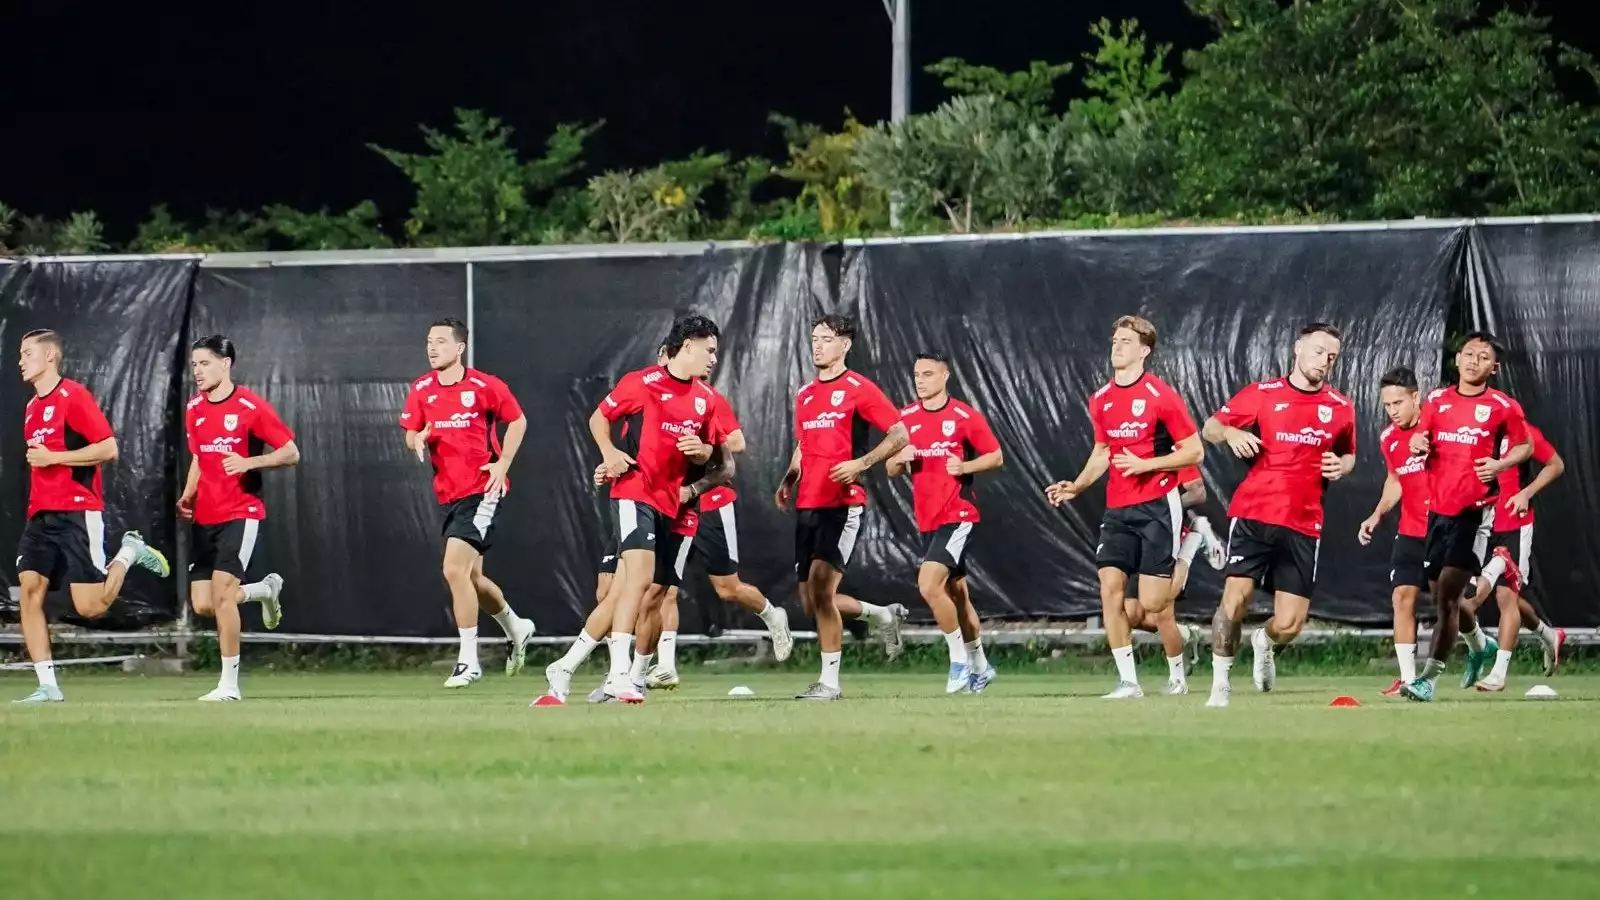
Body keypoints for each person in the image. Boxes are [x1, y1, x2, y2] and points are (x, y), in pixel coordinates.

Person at [1047, 316, 1204, 699]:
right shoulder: (1101, 399)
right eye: (1114, 340)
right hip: (1118, 509)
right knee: (1110, 589)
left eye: (1126, 341)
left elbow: (1194, 450)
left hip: (1158, 505)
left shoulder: (1161, 395)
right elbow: (1102, 451)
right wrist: (1078, 486)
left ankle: (1187, 553)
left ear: (1144, 350)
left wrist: (1146, 465)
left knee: (1153, 605)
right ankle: (1129, 682)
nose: (1117, 346)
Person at [1201, 322, 1356, 708]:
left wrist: (1344, 465)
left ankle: (1264, 642)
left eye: (1332, 356)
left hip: (1304, 521)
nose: (1325, 361)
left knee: (1290, 623)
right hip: (1255, 511)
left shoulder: (1340, 406)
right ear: (1297, 349)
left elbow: (1348, 452)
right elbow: (1211, 427)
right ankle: (1220, 686)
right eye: (1319, 351)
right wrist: (1233, 435)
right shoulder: (1263, 393)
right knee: (1235, 599)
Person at [13, 329, 171, 704]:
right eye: (20, 354)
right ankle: (48, 686)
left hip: (78, 512)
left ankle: (129, 552)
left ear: (50, 356)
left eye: (27, 353)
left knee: (91, 606)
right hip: (41, 516)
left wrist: (55, 458)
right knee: (29, 594)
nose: (21, 360)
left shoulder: (74, 396)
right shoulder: (32, 407)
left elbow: (109, 448)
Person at [589, 315, 723, 703]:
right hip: (633, 491)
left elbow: (721, 455)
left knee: (648, 587)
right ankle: (617, 674)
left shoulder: (707, 398)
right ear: (688, 346)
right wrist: (610, 452)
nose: (714, 358)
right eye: (709, 350)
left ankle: (584, 671)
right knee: (632, 581)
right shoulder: (641, 383)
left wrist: (706, 452)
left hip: (671, 505)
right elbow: (600, 417)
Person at [776, 314, 909, 700]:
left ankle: (830, 683)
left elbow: (899, 433)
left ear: (845, 345)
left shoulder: (860, 389)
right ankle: (882, 614)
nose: (817, 345)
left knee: (821, 589)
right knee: (810, 601)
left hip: (842, 504)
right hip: (809, 503)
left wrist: (861, 464)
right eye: (814, 338)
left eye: (826, 339)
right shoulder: (804, 394)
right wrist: (790, 476)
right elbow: (805, 443)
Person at [400, 317, 536, 689]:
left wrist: (503, 463)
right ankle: (516, 626)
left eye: (441, 341)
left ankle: (468, 661)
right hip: (449, 494)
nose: (432, 348)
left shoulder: (484, 385)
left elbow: (519, 421)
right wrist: (418, 440)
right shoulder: (422, 388)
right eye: (429, 341)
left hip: (482, 490)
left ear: (460, 348)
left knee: (454, 570)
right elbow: (411, 434)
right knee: (472, 578)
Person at [1399, 332, 1533, 702]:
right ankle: (1480, 643)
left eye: (1483, 356)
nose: (1474, 361)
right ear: (1457, 360)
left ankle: (1427, 680)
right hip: (1436, 513)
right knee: (1443, 596)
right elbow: (1418, 437)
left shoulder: (1503, 406)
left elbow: (1527, 446)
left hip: (1474, 516)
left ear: (1495, 367)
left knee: (1446, 599)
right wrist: (1416, 442)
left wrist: (1501, 463)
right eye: (1469, 354)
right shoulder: (1438, 400)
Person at [179, 335, 299, 701]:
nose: (197, 371)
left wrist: (250, 462)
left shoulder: (250, 406)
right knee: (203, 603)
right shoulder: (195, 408)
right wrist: (188, 493)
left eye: (205, 363)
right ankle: (264, 590)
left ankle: (229, 685)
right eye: (195, 364)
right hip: (205, 515)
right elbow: (200, 458)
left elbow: (290, 452)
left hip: (240, 511)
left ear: (226, 363)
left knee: (221, 594)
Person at [886, 352, 1004, 694]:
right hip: (928, 518)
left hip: (959, 514)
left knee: (928, 585)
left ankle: (959, 663)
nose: (920, 380)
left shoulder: (964, 416)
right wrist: (899, 460)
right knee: (957, 595)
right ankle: (981, 666)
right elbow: (891, 469)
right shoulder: (904, 418)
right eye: (916, 374)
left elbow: (996, 456)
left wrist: (964, 468)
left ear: (945, 376)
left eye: (927, 374)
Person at [1457, 420, 1565, 691]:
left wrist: (1526, 494)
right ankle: (1547, 635)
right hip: (1481, 525)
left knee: (1505, 597)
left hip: (1514, 525)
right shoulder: (1470, 434)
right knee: (1469, 600)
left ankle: (1498, 673)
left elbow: (1556, 464)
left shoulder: (1523, 434)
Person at [1358, 366, 1431, 696]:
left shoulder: (1438, 425)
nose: (1393, 411)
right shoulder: (1389, 438)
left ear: (1416, 397)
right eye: (1387, 405)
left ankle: (1482, 646)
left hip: (1446, 527)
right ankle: (1409, 678)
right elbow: (1396, 480)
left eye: (1398, 403)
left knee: (1460, 606)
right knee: (1402, 598)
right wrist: (1376, 515)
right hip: (1411, 529)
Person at [1121, 467, 1219, 695]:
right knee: (1131, 613)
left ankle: (1177, 681)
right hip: (1133, 530)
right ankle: (1185, 634)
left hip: (1165, 530)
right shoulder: (1125, 443)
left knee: (1163, 605)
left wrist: (1162, 505)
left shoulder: (1175, 448)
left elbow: (1198, 492)